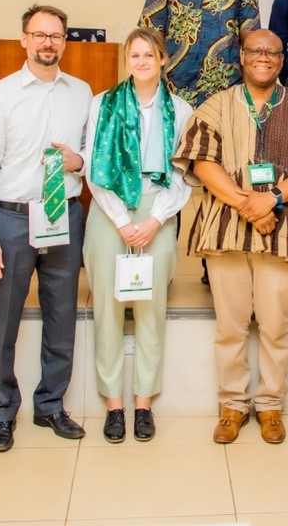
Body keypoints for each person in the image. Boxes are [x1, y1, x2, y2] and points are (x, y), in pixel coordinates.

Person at [174, 28, 288, 444]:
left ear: (282, 60)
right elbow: (201, 161)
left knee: (274, 325)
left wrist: (272, 199)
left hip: (283, 230)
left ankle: (270, 406)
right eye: (255, 51)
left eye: (272, 52)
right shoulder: (215, 106)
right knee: (230, 326)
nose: (264, 57)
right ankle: (232, 404)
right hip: (225, 230)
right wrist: (246, 203)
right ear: (243, 57)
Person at [0, 4, 93, 452]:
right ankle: (1, 412)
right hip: (12, 218)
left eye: (56, 36)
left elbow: (90, 155)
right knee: (3, 321)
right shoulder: (0, 95)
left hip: (63, 217)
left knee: (61, 316)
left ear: (65, 41)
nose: (47, 43)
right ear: (24, 39)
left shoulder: (81, 92)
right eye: (39, 34)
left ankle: (50, 405)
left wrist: (78, 162)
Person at [82, 28, 193, 444]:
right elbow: (95, 168)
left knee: (151, 308)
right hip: (110, 211)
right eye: (135, 55)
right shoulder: (103, 104)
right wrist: (121, 220)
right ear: (126, 60)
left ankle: (143, 402)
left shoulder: (180, 110)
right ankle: (113, 403)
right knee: (109, 308)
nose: (142, 61)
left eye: (150, 55)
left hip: (157, 211)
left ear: (163, 60)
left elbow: (184, 175)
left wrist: (155, 219)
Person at [139, 0, 260, 285]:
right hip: (174, 99)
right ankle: (162, 264)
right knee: (168, 178)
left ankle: (215, 266)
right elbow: (148, 40)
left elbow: (251, 43)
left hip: (225, 103)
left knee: (222, 182)